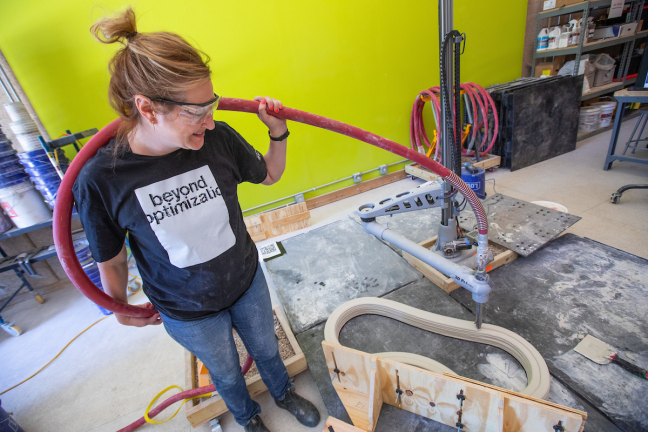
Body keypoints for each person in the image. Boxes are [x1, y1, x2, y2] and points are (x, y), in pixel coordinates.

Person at [74, 8, 320, 432]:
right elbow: (111, 259)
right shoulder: (102, 178)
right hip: (185, 309)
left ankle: (283, 393)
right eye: (195, 111)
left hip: (245, 281)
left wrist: (277, 133)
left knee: (266, 348)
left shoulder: (217, 139)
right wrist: (119, 307)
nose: (209, 119)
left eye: (212, 104)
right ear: (147, 108)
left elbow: (271, 174)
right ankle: (248, 419)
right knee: (224, 372)